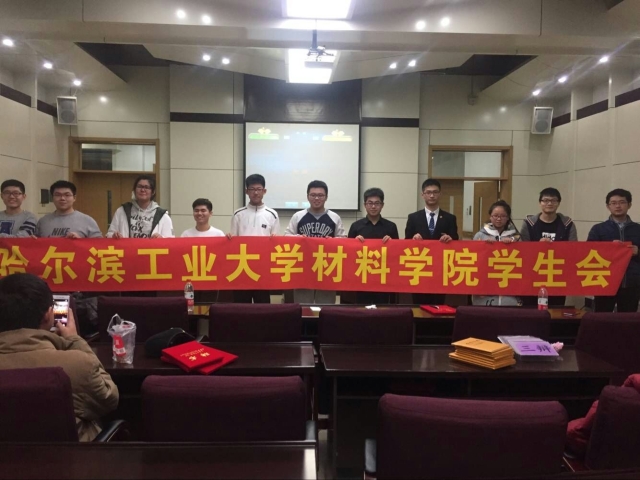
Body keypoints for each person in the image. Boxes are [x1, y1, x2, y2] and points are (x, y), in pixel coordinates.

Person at [0, 273, 119, 441]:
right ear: (49, 315)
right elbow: (109, 400)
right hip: (69, 457)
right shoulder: (77, 364)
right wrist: (74, 340)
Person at [286, 180, 346, 304]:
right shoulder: (298, 216)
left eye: (320, 195)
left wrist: (333, 241)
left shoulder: (334, 217)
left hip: (327, 267)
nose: (317, 198)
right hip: (302, 267)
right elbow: (286, 237)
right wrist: (298, 238)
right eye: (313, 195)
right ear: (307, 196)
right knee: (303, 305)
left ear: (326, 197)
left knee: (326, 305)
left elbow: (344, 240)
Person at [405, 178, 459, 305]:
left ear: (440, 194)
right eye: (428, 192)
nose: (432, 195)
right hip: (419, 268)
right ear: (422, 195)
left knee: (438, 304)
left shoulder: (450, 218)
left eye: (435, 192)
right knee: (419, 304)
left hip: (440, 269)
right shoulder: (413, 217)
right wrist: (413, 239)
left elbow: (456, 240)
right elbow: (406, 241)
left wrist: (449, 239)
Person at [520, 187, 577, 307]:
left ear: (559, 203)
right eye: (545, 200)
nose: (549, 203)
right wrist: (537, 246)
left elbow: (573, 249)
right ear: (540, 203)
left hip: (557, 275)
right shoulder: (529, 223)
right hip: (533, 274)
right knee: (530, 310)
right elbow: (522, 250)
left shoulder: (567, 224)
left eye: (553, 200)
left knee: (555, 310)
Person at [228, 174, 280, 303]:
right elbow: (233, 242)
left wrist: (275, 239)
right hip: (242, 267)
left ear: (264, 191)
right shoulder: (238, 214)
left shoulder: (272, 214)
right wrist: (229, 238)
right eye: (252, 189)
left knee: (262, 306)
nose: (255, 192)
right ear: (246, 191)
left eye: (259, 189)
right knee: (241, 306)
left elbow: (276, 243)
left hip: (263, 268)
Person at [587, 188, 640, 313]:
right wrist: (609, 249)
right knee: (601, 318)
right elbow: (588, 253)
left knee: (627, 320)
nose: (618, 206)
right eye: (613, 203)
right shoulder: (598, 229)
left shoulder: (638, 229)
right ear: (608, 206)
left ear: (629, 205)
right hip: (604, 281)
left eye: (622, 202)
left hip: (631, 283)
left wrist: (638, 252)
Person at [348, 187, 399, 304]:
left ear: (382, 205)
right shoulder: (356, 226)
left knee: (382, 309)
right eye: (370, 203)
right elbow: (348, 254)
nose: (373, 206)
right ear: (364, 205)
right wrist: (354, 243)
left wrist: (393, 243)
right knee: (362, 309)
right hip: (362, 275)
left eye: (377, 203)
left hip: (383, 276)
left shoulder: (391, 226)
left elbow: (397, 254)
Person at [472, 200, 521, 306]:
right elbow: (474, 260)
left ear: (508, 218)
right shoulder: (480, 235)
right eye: (495, 216)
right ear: (490, 217)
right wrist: (484, 246)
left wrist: (512, 246)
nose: (499, 219)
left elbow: (522, 260)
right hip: (485, 283)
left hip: (508, 280)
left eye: (503, 216)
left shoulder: (516, 237)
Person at [107, 175, 173, 239]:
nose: (142, 190)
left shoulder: (162, 215)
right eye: (139, 186)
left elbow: (171, 240)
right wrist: (114, 236)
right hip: (127, 247)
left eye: (146, 187)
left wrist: (161, 238)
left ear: (153, 192)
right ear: (134, 190)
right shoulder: (121, 211)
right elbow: (109, 235)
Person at [36, 180, 102, 238]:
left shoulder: (87, 221)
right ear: (52, 198)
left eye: (67, 195)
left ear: (74, 198)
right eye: (58, 195)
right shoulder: (43, 221)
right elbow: (36, 245)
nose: (62, 198)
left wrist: (81, 241)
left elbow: (99, 245)